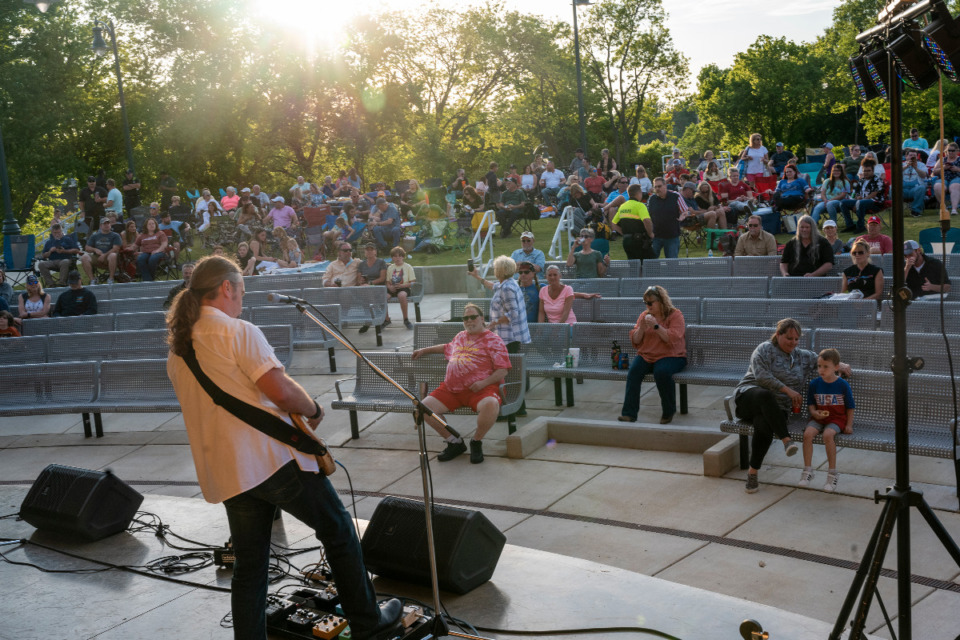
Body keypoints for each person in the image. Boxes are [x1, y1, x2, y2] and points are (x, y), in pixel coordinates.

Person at [165, 256, 401, 640]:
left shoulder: (178, 351)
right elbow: (281, 391)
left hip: (228, 472)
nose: (242, 297)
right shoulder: (238, 331)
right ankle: (368, 623)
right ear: (227, 288)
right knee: (339, 532)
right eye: (240, 289)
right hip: (269, 461)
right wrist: (314, 408)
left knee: (250, 566)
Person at [735, 318, 852, 494]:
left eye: (796, 339)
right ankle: (786, 439)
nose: (793, 342)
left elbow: (823, 359)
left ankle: (752, 472)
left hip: (777, 409)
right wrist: (789, 391)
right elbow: (761, 377)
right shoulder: (764, 349)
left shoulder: (802, 356)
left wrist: (841, 364)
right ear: (778, 335)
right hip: (750, 398)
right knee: (765, 395)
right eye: (789, 338)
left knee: (764, 424)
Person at [412, 302, 512, 464]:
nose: (469, 320)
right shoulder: (460, 336)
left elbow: (503, 370)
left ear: (482, 319)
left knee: (491, 404)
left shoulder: (493, 340)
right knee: (422, 409)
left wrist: (483, 383)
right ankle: (454, 442)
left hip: (481, 389)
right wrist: (424, 350)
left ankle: (476, 441)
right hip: (451, 389)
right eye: (466, 318)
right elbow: (446, 347)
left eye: (473, 317)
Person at [618, 285, 687, 425]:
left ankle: (668, 412)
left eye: (650, 303)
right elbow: (636, 341)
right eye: (645, 303)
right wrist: (642, 329)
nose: (648, 306)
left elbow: (672, 339)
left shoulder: (675, 315)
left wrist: (656, 326)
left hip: (672, 355)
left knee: (661, 372)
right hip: (647, 354)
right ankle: (629, 414)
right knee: (634, 372)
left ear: (661, 301)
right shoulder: (644, 316)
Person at [799, 348, 855, 493]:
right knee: (807, 434)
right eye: (819, 366)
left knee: (828, 435)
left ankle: (832, 473)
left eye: (825, 367)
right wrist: (814, 412)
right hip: (819, 418)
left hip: (837, 419)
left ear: (836, 367)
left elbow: (850, 407)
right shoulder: (815, 384)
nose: (821, 370)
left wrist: (849, 425)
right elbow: (810, 404)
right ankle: (807, 470)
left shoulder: (842, 384)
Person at [646, 177, 689, 259]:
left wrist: (683, 215)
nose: (657, 189)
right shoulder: (652, 199)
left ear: (665, 186)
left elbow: (685, 211)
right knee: (651, 262)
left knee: (671, 263)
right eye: (655, 187)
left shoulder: (676, 196)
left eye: (659, 186)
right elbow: (648, 216)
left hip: (672, 236)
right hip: (656, 236)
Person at [612, 184, 654, 260]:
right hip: (639, 241)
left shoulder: (623, 206)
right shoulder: (640, 205)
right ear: (639, 193)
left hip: (626, 241)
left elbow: (613, 223)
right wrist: (650, 234)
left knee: (633, 266)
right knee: (650, 264)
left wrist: (623, 233)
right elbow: (646, 220)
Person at [37, 223, 81, 287]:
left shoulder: (67, 239)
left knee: (64, 262)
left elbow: (77, 250)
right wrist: (50, 251)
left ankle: (62, 283)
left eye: (59, 232)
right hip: (52, 261)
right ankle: (51, 284)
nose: (57, 234)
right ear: (52, 232)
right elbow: (44, 255)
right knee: (41, 264)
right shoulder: (49, 242)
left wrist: (64, 251)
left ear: (61, 231)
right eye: (55, 233)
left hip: (65, 259)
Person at [81, 218, 122, 284]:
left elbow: (116, 249)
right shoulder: (95, 236)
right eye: (104, 224)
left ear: (110, 225)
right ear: (100, 226)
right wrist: (95, 249)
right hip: (97, 257)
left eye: (108, 223)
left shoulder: (115, 235)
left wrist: (104, 255)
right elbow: (87, 248)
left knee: (113, 255)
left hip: (109, 257)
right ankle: (93, 280)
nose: (106, 225)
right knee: (84, 257)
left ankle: (111, 279)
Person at [848, 160, 886, 232]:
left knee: (861, 203)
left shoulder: (878, 180)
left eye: (868, 171)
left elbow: (874, 194)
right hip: (861, 202)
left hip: (875, 203)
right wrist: (857, 197)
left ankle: (860, 226)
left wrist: (860, 201)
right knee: (843, 203)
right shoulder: (861, 181)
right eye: (864, 171)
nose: (866, 172)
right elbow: (856, 192)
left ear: (873, 171)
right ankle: (850, 225)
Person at [384, 246, 415, 329]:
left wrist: (402, 286)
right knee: (383, 297)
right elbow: (387, 282)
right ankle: (386, 319)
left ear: (403, 257)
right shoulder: (390, 268)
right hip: (392, 288)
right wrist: (390, 287)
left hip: (404, 287)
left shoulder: (408, 267)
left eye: (399, 256)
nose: (397, 258)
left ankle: (406, 319)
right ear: (392, 258)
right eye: (395, 256)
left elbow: (412, 283)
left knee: (401, 296)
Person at [931, 142, 960, 216]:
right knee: (937, 186)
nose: (950, 152)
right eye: (948, 150)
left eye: (952, 150)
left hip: (956, 177)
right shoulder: (942, 159)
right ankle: (944, 207)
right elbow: (934, 172)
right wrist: (943, 168)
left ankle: (954, 209)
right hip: (944, 178)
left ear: (957, 151)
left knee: (955, 186)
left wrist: (957, 169)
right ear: (946, 151)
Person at [902, 149, 928, 217]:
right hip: (903, 189)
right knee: (892, 188)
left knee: (921, 188)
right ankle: (897, 211)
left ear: (917, 157)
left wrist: (916, 168)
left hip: (915, 189)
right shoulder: (901, 164)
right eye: (910, 155)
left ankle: (915, 211)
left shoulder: (921, 165)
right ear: (906, 156)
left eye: (914, 156)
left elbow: (924, 175)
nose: (912, 157)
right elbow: (895, 173)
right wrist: (906, 166)